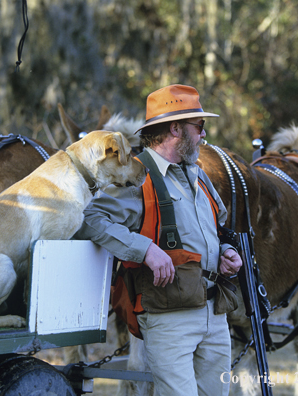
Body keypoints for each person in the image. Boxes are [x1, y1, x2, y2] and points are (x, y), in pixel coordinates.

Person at [75, 84, 242, 395]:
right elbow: (88, 219)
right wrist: (145, 249)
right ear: (175, 129)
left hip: (214, 313)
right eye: (199, 126)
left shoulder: (198, 174)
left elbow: (217, 228)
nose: (204, 135)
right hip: (169, 320)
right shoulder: (136, 176)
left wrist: (226, 251)